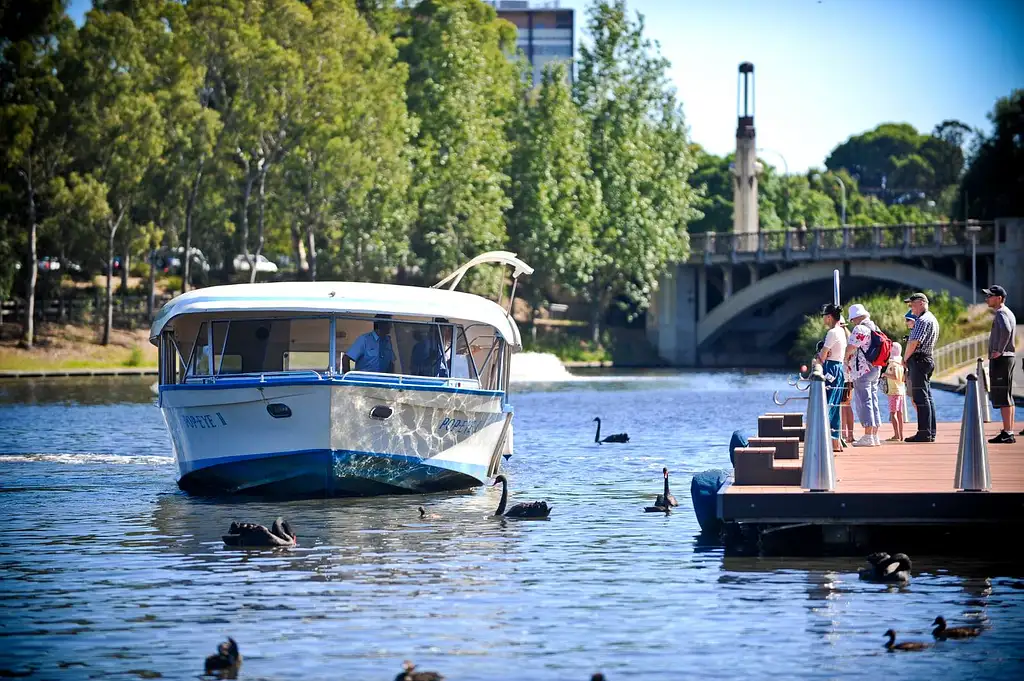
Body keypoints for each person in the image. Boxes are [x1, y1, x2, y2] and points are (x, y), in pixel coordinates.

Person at [845, 303, 883, 446]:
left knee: (864, 401)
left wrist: (845, 357)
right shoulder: (874, 327)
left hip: (863, 370)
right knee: (873, 400)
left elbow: (851, 347)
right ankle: (874, 435)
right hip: (875, 368)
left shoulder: (860, 328)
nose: (852, 322)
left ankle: (868, 435)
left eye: (852, 319)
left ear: (857, 317)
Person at [983, 285, 1017, 444]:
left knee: (1003, 396)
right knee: (1007, 395)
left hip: (1002, 359)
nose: (987, 298)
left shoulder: (1001, 313)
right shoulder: (1007, 312)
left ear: (999, 298)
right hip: (1008, 358)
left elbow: (1006, 330)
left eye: (990, 296)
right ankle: (1008, 430)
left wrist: (998, 350)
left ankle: (1008, 433)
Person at [903, 292, 939, 442]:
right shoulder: (932, 319)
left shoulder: (922, 320)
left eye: (912, 304)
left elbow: (914, 342)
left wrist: (904, 359)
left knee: (921, 398)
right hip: (927, 359)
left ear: (921, 303)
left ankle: (924, 432)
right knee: (927, 397)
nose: (911, 308)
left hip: (919, 360)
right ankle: (929, 432)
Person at [816, 304, 847, 451]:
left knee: (828, 403)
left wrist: (817, 361)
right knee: (834, 405)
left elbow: (823, 354)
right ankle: (835, 442)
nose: (823, 319)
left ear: (829, 317)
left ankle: (823, 439)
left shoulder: (832, 332)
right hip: (839, 368)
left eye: (824, 316)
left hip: (832, 368)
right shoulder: (841, 331)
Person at [884, 341, 906, 442]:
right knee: (900, 413)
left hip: (894, 392)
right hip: (900, 390)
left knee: (893, 413)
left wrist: (885, 375)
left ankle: (896, 435)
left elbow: (895, 376)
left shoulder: (894, 363)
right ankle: (901, 435)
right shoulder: (901, 363)